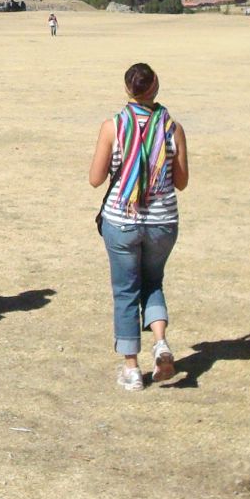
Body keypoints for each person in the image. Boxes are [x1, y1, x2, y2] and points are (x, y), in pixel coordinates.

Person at [87, 63, 190, 391]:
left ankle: (132, 368)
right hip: (162, 221)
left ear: (128, 89)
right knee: (153, 282)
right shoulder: (172, 128)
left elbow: (95, 179)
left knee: (126, 290)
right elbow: (182, 182)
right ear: (155, 88)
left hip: (122, 222)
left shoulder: (112, 127)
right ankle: (160, 342)